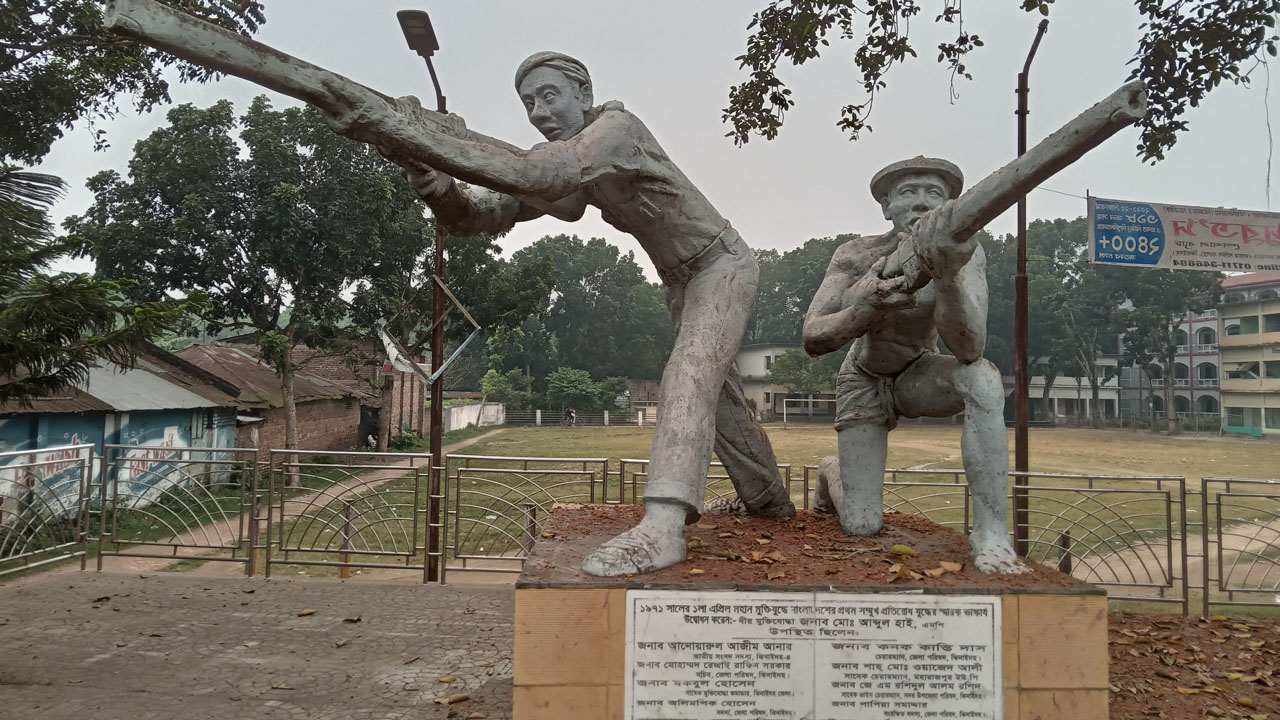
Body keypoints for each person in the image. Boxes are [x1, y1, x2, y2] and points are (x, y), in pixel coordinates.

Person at [326, 52, 794, 576]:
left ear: (584, 94)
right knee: (721, 402)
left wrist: (413, 133)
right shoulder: (573, 164)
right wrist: (427, 173)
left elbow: (539, 173)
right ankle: (769, 502)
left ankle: (664, 527)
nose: (538, 112)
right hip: (681, 281)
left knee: (689, 374)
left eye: (549, 96)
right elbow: (475, 217)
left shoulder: (616, 131)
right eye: (529, 103)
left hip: (721, 264)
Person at [802, 156, 1026, 574]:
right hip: (864, 376)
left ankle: (992, 534)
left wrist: (947, 276)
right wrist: (863, 309)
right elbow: (813, 336)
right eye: (908, 192)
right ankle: (832, 471)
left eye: (934, 193)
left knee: (983, 379)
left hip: (917, 372)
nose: (922, 203)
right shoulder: (854, 255)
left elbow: (969, 348)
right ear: (886, 205)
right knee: (862, 525)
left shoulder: (966, 254)